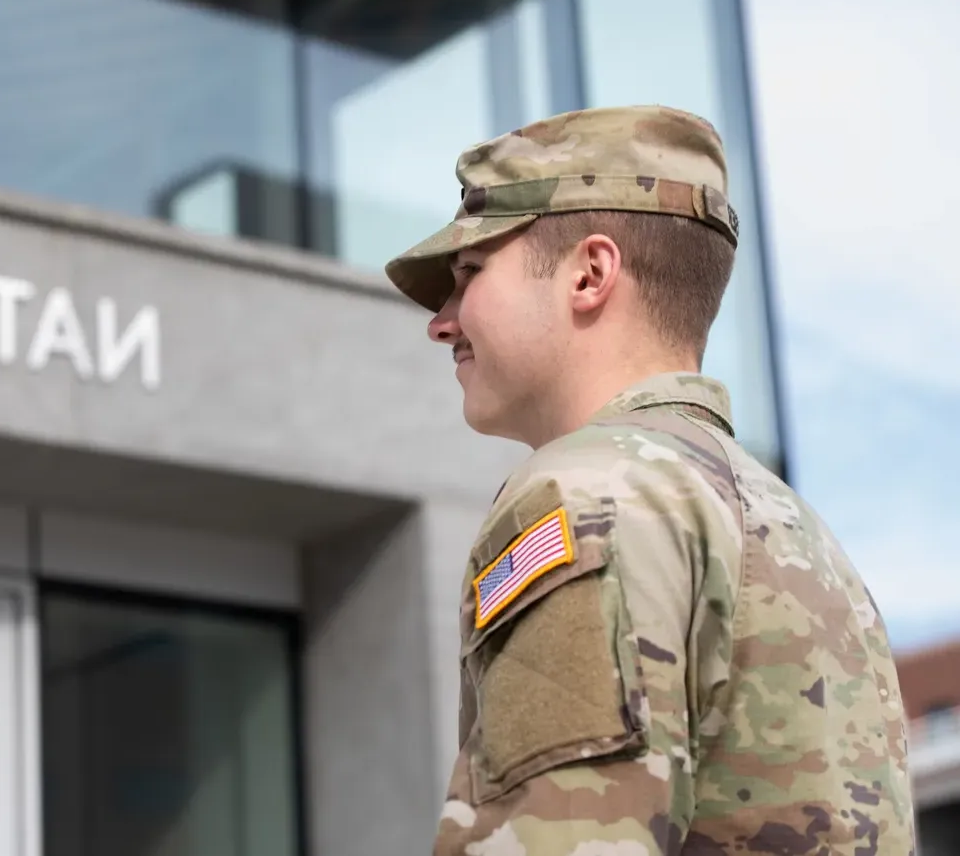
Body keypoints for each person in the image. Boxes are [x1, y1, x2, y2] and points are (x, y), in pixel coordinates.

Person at [383, 105, 916, 855]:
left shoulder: (586, 495)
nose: (443, 320)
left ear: (590, 274)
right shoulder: (804, 539)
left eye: (468, 273)